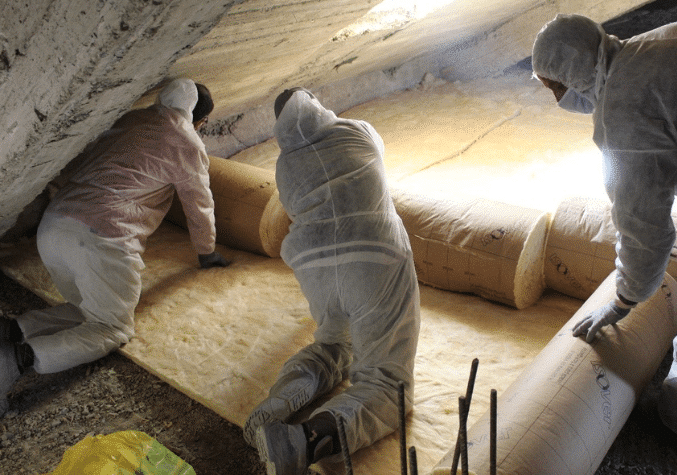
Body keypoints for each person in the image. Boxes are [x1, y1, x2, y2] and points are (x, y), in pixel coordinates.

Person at [531, 13, 677, 446]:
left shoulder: (625, 110)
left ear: (569, 74)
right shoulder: (649, 46)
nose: (554, 97)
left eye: (552, 85)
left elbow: (645, 226)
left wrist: (624, 300)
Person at [1, 78, 229, 415]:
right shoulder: (186, 140)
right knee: (113, 327)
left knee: (91, 310)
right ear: (201, 120)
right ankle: (15, 362)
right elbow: (200, 203)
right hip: (100, 238)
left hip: (54, 227)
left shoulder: (131, 119)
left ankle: (11, 330)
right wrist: (207, 251)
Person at [242, 87, 420, 474]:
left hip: (314, 264)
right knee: (387, 383)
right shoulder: (357, 132)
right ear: (317, 104)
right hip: (374, 260)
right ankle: (302, 442)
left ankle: (273, 412)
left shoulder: (284, 166)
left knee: (334, 345)